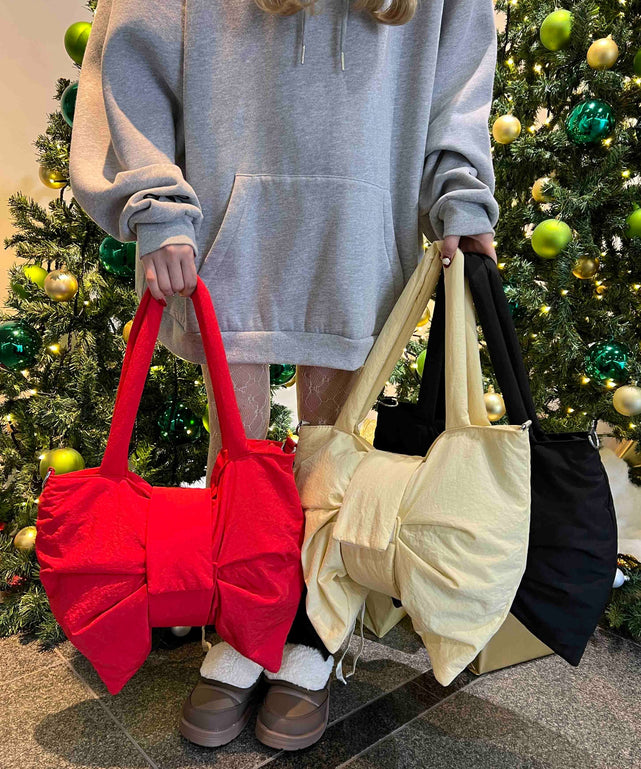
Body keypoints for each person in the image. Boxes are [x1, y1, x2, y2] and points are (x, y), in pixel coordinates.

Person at [68, 0, 499, 752]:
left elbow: (458, 77)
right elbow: (130, 54)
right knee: (239, 454)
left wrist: (460, 192)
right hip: (220, 218)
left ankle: (309, 629)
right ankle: (241, 625)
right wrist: (154, 202)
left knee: (330, 455)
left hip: (363, 214)